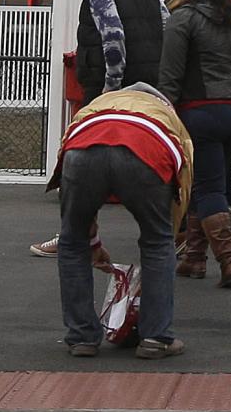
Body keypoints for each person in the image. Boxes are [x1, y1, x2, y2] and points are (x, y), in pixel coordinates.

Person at [52, 73, 193, 360]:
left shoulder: (96, 107)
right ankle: (155, 337)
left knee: (72, 240)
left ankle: (82, 337)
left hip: (82, 150)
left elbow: (70, 202)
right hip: (147, 149)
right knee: (157, 241)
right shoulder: (169, 118)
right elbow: (182, 190)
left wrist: (91, 243)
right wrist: (173, 233)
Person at [161, 0, 231, 289]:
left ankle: (228, 261)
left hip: (201, 111)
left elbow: (170, 75)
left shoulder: (182, 20)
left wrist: (167, 114)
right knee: (207, 180)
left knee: (211, 186)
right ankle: (194, 258)